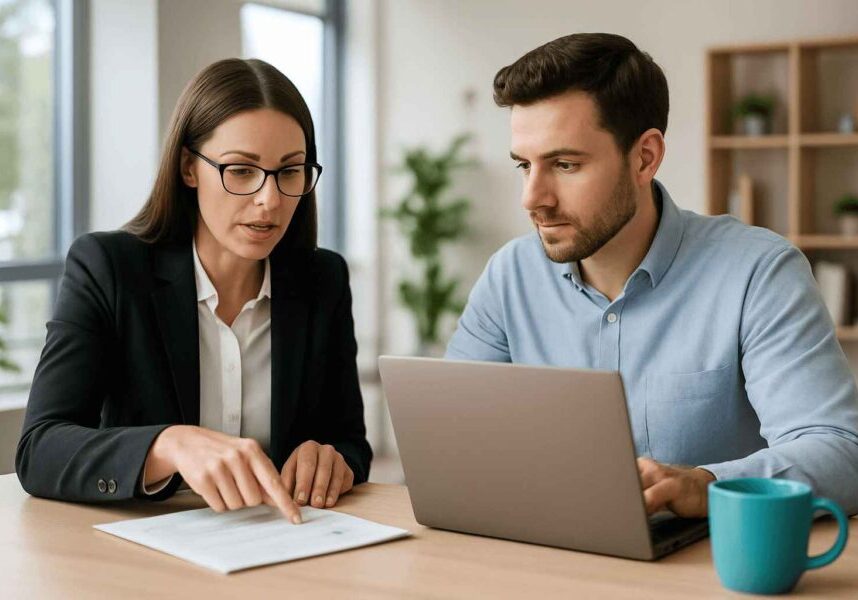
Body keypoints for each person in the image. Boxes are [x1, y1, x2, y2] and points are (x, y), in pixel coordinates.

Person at [446, 33, 858, 517]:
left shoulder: (759, 273)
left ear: (645, 157)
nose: (533, 198)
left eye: (564, 164)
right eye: (524, 166)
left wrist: (706, 486)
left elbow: (839, 454)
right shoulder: (509, 276)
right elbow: (454, 441)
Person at [16, 59, 371, 524]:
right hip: (143, 560)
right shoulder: (109, 267)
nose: (270, 199)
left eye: (290, 172)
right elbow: (39, 448)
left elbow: (350, 442)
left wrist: (330, 459)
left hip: (281, 548)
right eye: (241, 171)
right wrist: (167, 445)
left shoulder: (322, 280)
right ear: (188, 168)